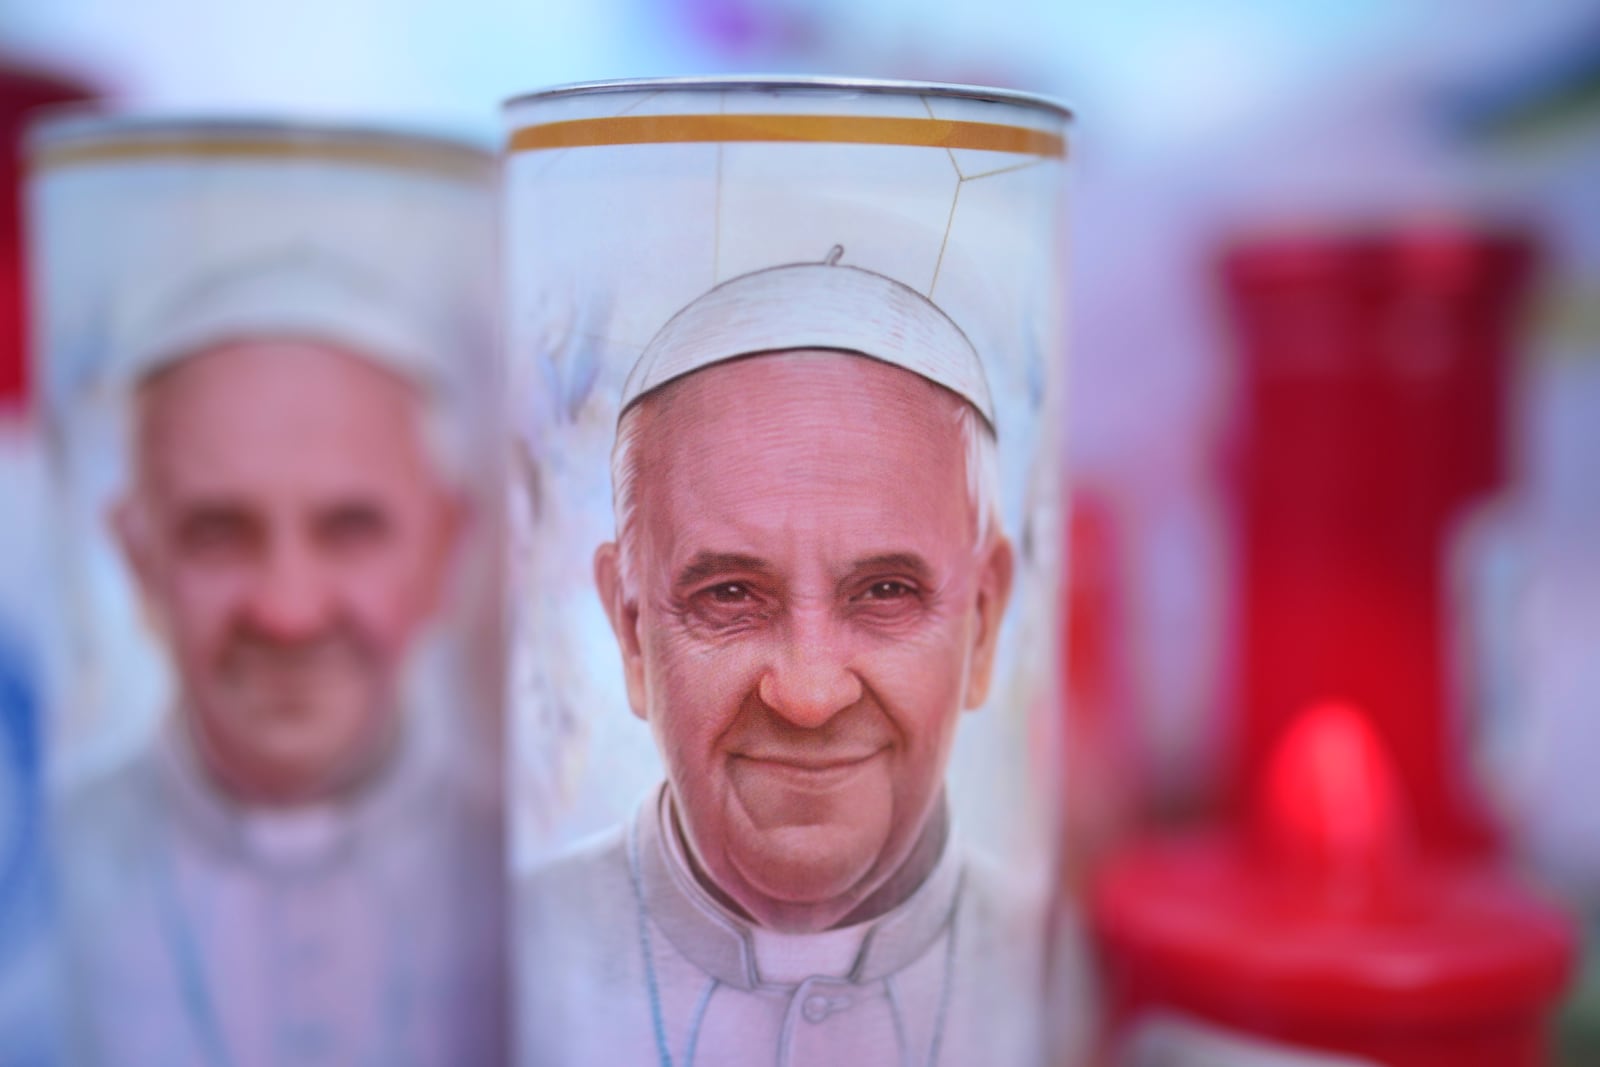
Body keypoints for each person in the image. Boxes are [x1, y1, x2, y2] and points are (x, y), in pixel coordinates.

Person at [520, 252, 1042, 1067]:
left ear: (982, 619)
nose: (807, 692)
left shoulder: (1064, 971)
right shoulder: (502, 957)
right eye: (729, 594)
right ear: (630, 628)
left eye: (886, 590)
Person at [57, 254, 504, 1067]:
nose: (287, 611)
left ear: (444, 545)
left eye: (350, 527)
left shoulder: (515, 880)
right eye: (218, 532)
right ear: (138, 556)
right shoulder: (45, 870)